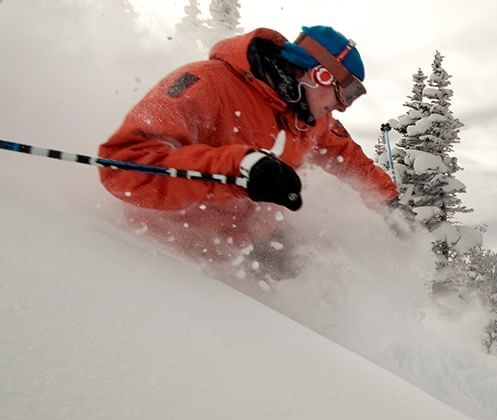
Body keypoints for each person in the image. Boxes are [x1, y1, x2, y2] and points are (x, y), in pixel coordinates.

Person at [98, 26, 401, 280]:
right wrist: (241, 169)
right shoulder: (207, 83)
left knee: (325, 282)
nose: (343, 106)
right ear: (320, 74)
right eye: (346, 92)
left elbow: (346, 156)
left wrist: (388, 199)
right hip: (177, 243)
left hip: (250, 235)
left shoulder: (309, 117)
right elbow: (125, 165)